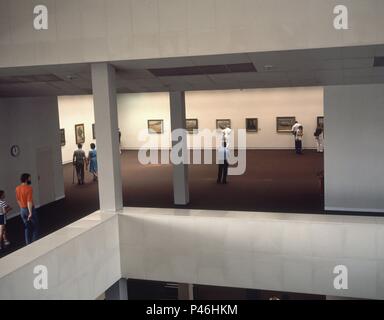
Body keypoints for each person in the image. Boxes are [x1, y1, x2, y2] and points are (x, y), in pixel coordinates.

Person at [16, 173, 39, 245]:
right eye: (29, 178)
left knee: (27, 227)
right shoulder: (29, 188)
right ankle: (34, 242)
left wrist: (22, 208)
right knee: (35, 226)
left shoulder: (17, 188)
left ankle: (27, 243)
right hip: (29, 209)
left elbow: (18, 200)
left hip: (22, 210)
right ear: (26, 179)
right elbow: (29, 201)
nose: (30, 179)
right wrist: (30, 212)